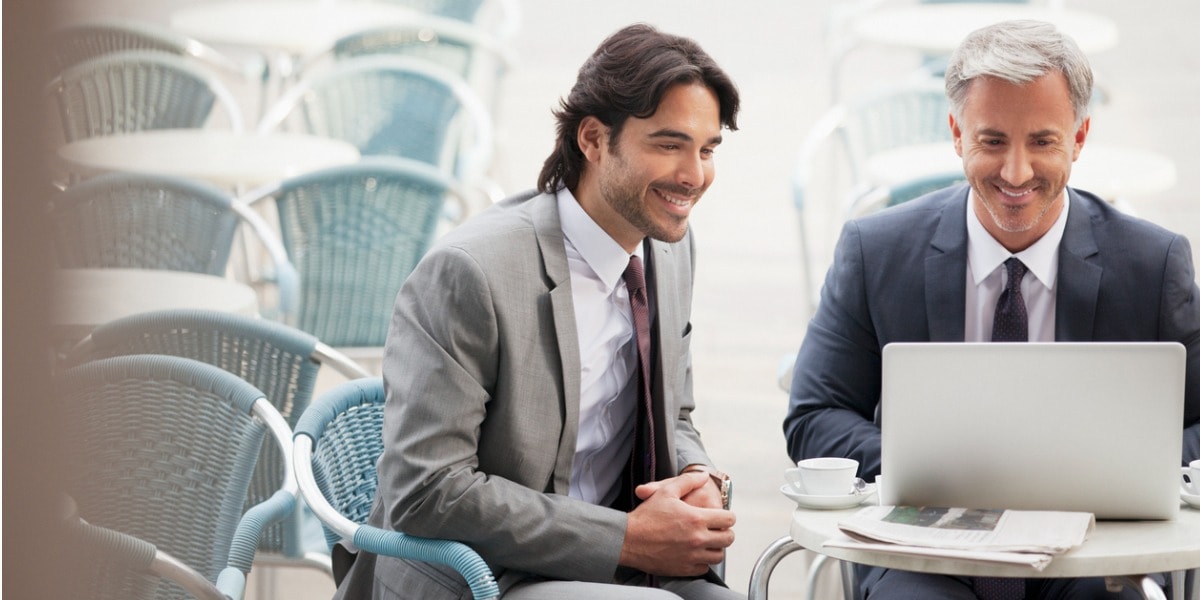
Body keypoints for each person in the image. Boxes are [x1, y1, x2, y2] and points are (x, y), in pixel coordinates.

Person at [783, 19, 1200, 600]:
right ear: (957, 133)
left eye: (1043, 142)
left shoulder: (1153, 264)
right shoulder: (876, 252)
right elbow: (814, 415)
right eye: (992, 140)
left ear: (1079, 138)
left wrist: (1129, 466)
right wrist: (926, 465)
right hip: (926, 557)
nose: (1016, 172)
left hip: (1094, 553)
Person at [333, 23, 745, 600]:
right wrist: (625, 537)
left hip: (615, 566)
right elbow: (424, 489)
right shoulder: (470, 272)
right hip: (483, 575)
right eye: (668, 145)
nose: (694, 176)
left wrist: (699, 476)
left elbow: (675, 414)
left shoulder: (668, 250)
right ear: (594, 140)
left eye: (706, 150)